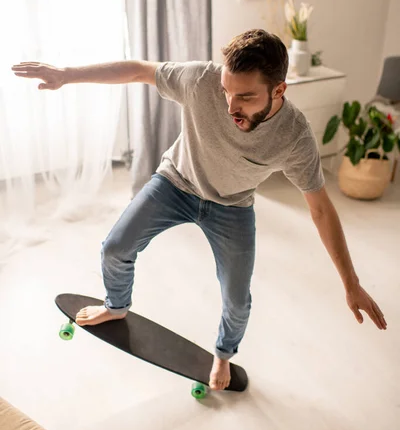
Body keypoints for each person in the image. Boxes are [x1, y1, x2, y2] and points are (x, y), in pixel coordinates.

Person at [12, 29, 387, 391]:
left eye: (245, 97)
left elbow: (321, 209)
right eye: (226, 91)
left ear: (279, 90)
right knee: (115, 248)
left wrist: (350, 283)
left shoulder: (294, 137)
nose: (229, 106)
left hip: (233, 206)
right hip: (176, 183)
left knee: (237, 300)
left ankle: (223, 354)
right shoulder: (200, 80)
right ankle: (117, 305)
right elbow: (139, 69)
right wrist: (65, 75)